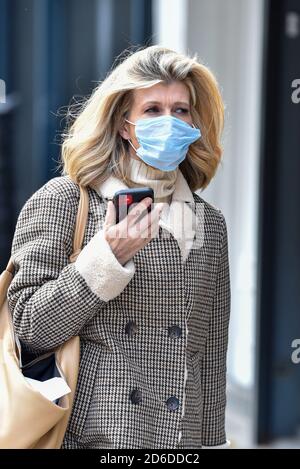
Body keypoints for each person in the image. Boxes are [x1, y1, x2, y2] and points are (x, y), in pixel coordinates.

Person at [7, 45, 231, 449]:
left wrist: (212, 443)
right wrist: (106, 258)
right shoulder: (65, 200)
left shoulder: (209, 224)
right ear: (125, 125)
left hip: (179, 442)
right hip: (93, 436)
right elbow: (28, 327)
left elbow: (210, 355)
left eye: (181, 110)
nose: (169, 121)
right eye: (152, 110)